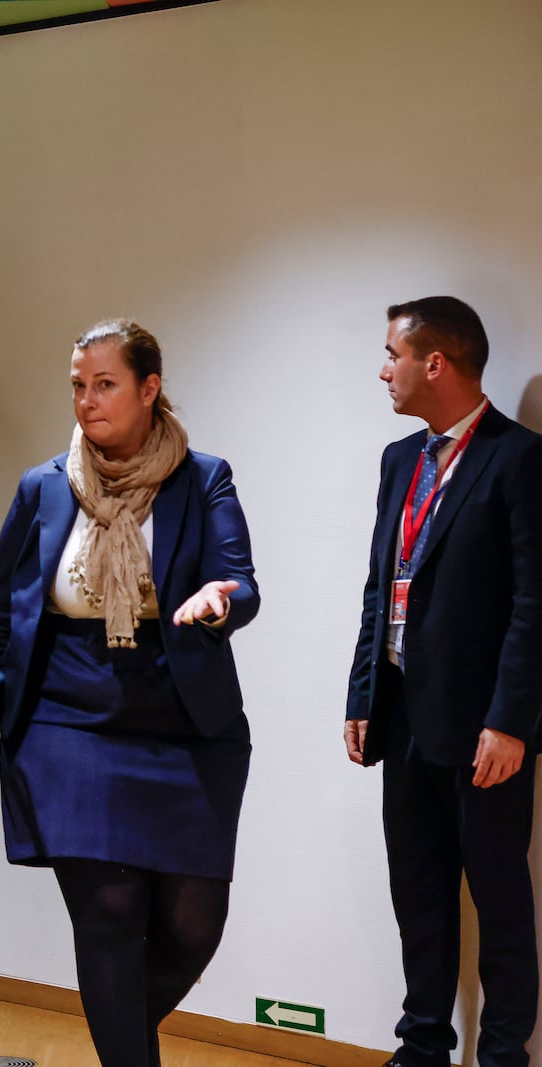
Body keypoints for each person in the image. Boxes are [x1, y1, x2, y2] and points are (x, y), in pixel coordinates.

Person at [0, 320, 258, 1067]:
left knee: (192, 925)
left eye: (106, 383)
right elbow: (0, 611)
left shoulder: (202, 477)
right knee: (111, 911)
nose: (87, 400)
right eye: (78, 386)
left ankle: (119, 1042)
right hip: (65, 723)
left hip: (184, 718)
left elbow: (238, 578)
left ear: (149, 388)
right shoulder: (45, 486)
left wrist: (221, 601)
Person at [345, 297, 542, 1067]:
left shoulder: (519, 457)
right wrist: (363, 696)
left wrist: (513, 719)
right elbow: (379, 588)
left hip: (485, 727)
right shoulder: (401, 459)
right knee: (418, 897)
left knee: (499, 902)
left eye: (392, 352)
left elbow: (535, 604)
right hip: (404, 717)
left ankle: (502, 1057)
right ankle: (421, 1047)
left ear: (438, 362)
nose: (383, 367)